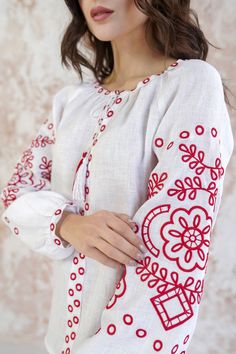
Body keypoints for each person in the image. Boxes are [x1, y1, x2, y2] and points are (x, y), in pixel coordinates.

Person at [0, 0, 234, 353]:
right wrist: (66, 224)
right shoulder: (71, 102)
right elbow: (15, 196)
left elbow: (174, 261)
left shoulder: (191, 84)